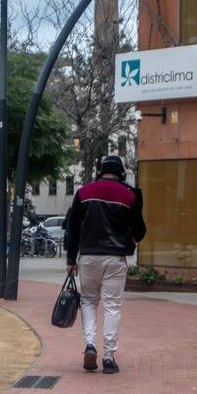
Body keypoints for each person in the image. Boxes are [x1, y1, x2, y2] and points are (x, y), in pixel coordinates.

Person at [64, 155, 147, 374]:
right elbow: (140, 231)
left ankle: (90, 345)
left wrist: (71, 260)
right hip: (115, 258)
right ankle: (109, 357)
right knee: (112, 305)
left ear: (100, 172)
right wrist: (131, 239)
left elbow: (72, 228)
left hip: (89, 256)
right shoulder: (129, 195)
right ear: (121, 173)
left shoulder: (83, 193)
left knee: (89, 301)